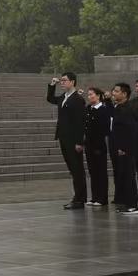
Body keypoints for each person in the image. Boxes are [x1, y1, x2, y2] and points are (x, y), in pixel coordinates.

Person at [47, 73, 88, 209]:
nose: (62, 83)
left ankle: (79, 199)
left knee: (77, 169)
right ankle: (77, 197)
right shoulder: (63, 97)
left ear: (73, 82)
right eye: (61, 80)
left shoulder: (78, 99)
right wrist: (52, 85)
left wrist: (79, 142)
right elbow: (50, 99)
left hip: (73, 139)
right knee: (72, 169)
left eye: (64, 80)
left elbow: (80, 122)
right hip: (63, 137)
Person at [109, 83, 138, 215]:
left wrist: (123, 147)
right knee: (122, 175)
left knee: (129, 176)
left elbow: (130, 131)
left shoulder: (127, 109)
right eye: (114, 91)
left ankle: (133, 205)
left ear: (124, 94)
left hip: (126, 149)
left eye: (117, 91)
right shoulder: (118, 107)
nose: (113, 93)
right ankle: (126, 202)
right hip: (118, 147)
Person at [83, 86, 113, 206]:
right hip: (89, 144)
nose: (89, 96)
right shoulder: (88, 109)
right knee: (93, 171)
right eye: (88, 94)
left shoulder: (103, 109)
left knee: (101, 171)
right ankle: (95, 197)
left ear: (98, 96)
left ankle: (102, 198)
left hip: (99, 144)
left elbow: (105, 128)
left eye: (92, 94)